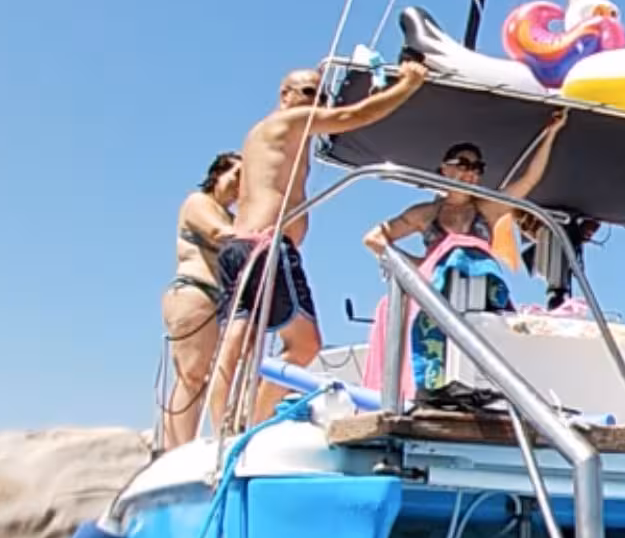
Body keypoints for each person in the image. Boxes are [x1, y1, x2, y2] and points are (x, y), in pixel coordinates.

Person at [209, 59, 428, 433]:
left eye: (322, 95)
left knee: (239, 343)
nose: (319, 103)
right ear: (285, 96)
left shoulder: (270, 134)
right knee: (304, 344)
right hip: (267, 246)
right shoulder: (288, 122)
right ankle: (251, 427)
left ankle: (224, 430)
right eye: (310, 93)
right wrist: (407, 85)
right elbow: (355, 116)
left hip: (247, 247)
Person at [362, 110, 569, 264]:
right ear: (445, 169)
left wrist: (551, 134)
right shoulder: (424, 214)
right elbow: (374, 239)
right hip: (436, 297)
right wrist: (418, 266)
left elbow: (529, 179)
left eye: (477, 168)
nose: (470, 172)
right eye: (463, 165)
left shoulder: (487, 209)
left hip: (479, 297)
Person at [160, 151, 241, 449]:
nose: (239, 186)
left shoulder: (235, 217)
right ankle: (176, 449)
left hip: (220, 300)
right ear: (217, 175)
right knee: (191, 376)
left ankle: (206, 440)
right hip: (195, 291)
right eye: (235, 176)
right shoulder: (198, 203)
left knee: (213, 376)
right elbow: (219, 233)